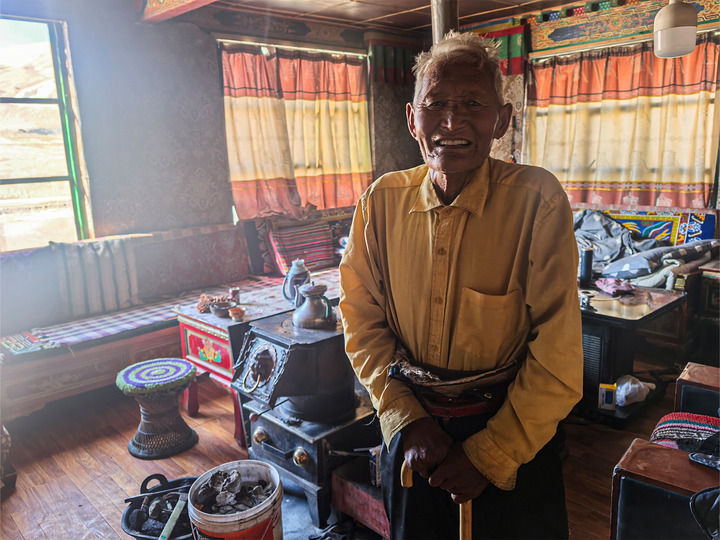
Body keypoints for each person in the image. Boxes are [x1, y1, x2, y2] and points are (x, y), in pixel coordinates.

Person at [339, 30, 583, 540]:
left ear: (502, 120)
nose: (452, 122)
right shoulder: (380, 202)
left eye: (473, 103)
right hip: (414, 437)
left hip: (515, 434)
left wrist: (490, 454)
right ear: (412, 119)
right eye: (436, 105)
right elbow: (361, 322)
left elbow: (557, 356)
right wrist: (406, 417)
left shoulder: (537, 200)